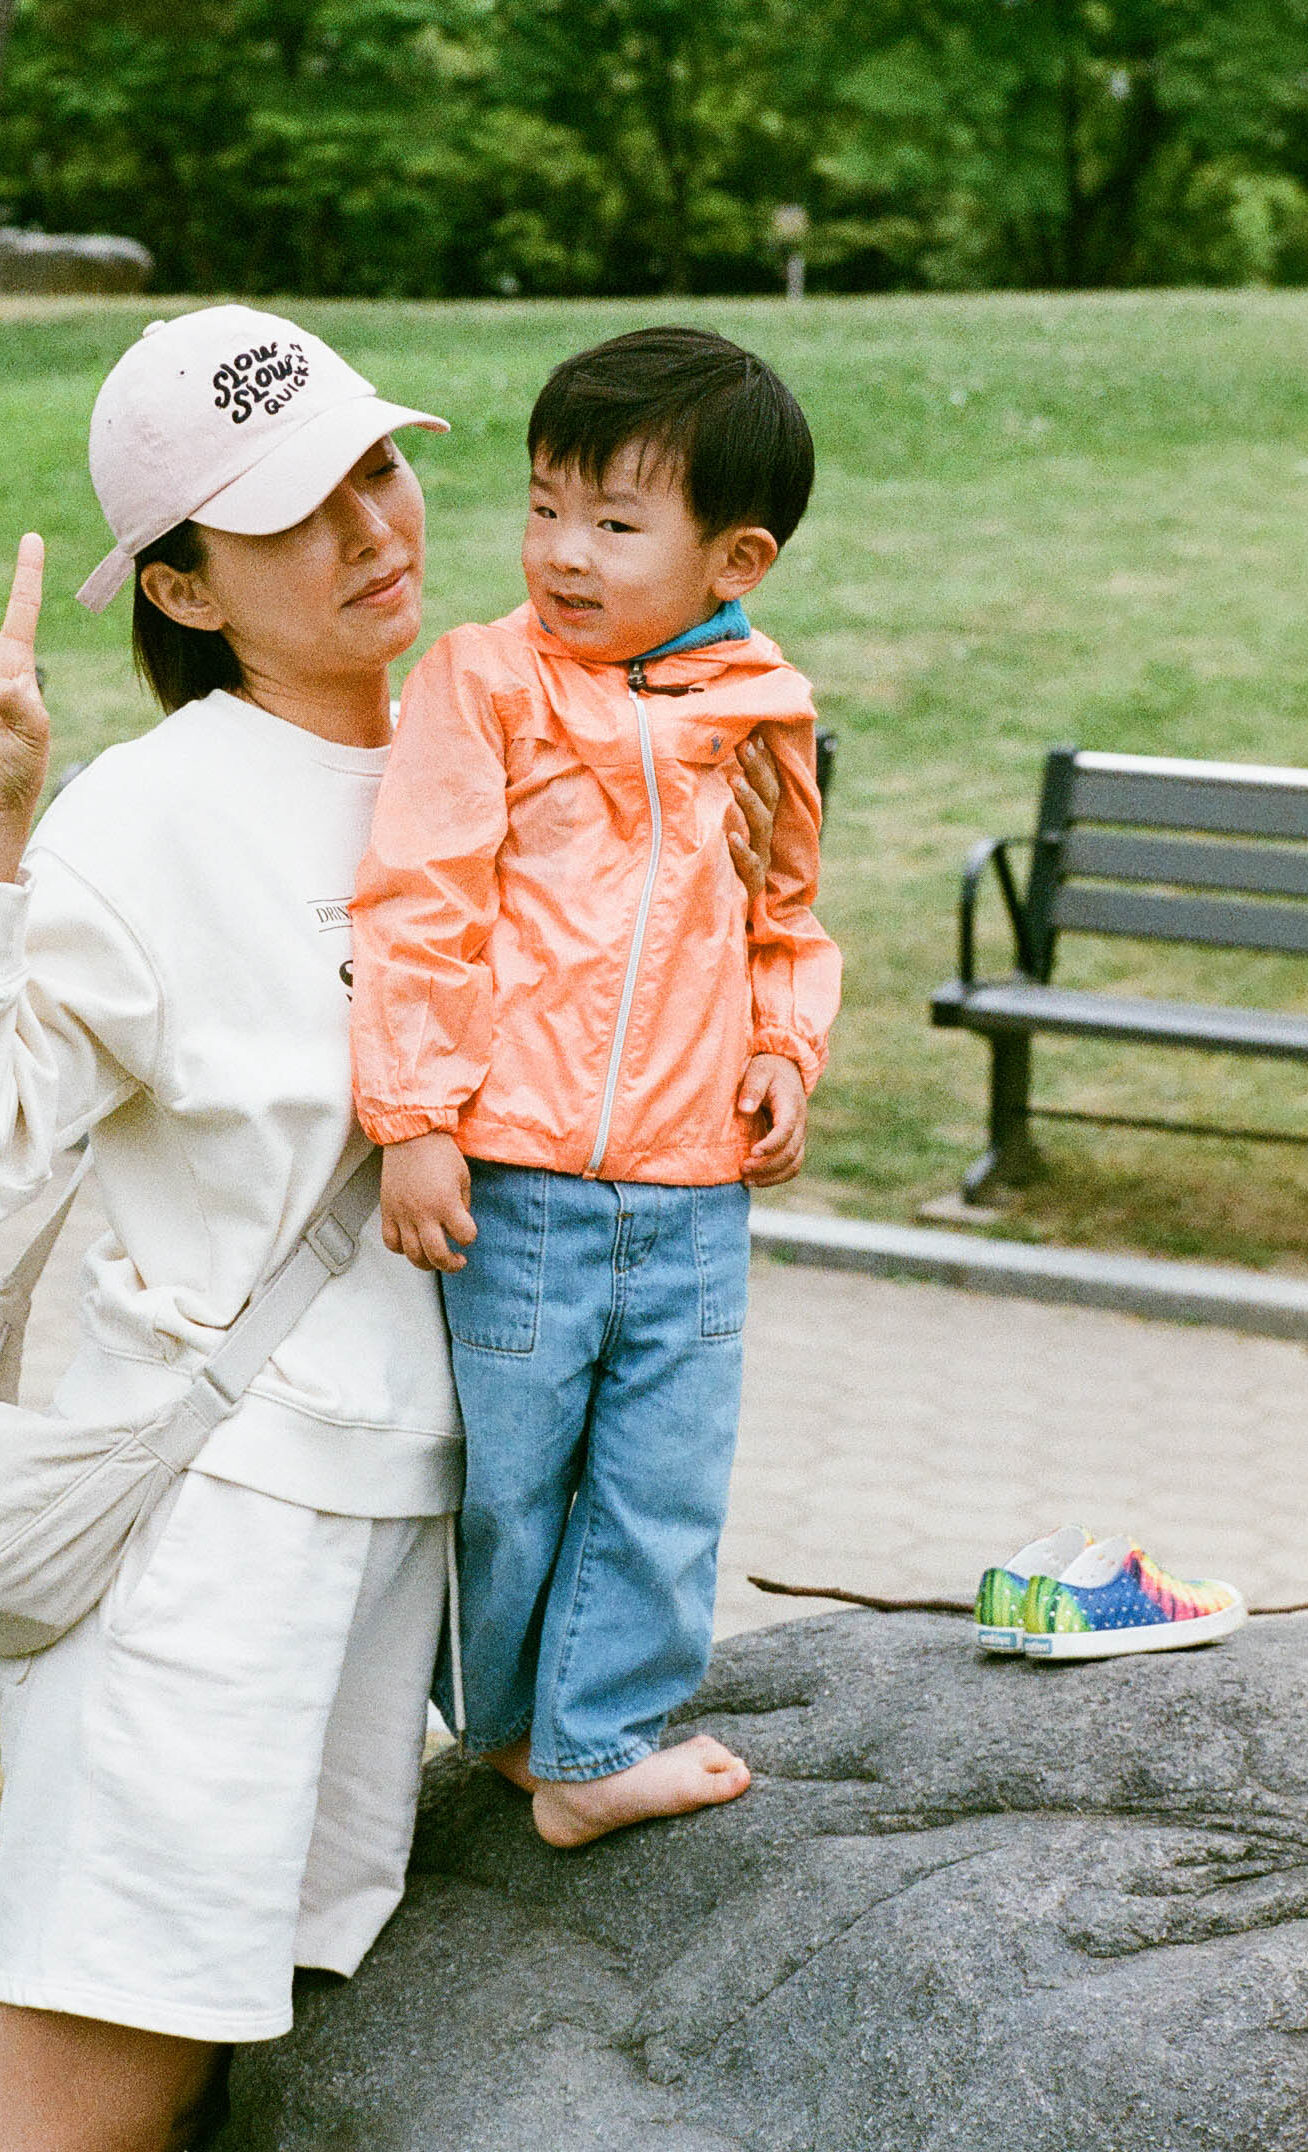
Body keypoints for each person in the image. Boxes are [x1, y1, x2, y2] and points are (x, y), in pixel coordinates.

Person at [0, 304, 789, 2152]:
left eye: (376, 467)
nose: (372, 528)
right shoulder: (155, 817)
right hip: (211, 1553)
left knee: (246, 2094)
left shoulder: (520, 735)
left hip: (418, 1546)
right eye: (290, 512)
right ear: (184, 591)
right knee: (84, 2110)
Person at [349, 325, 841, 1851]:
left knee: (660, 1483)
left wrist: (783, 1048)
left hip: (691, 1194)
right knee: (505, 1486)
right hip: (520, 1185)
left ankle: (596, 1743)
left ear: (732, 558)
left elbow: (784, 918)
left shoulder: (759, 708)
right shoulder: (484, 683)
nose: (562, 550)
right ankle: (508, 1729)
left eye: (615, 523)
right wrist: (414, 1121)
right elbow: (420, 904)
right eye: (543, 505)